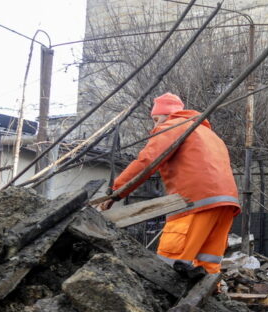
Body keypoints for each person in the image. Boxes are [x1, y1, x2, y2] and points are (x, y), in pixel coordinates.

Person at [101, 93, 240, 276]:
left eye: (156, 119)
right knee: (209, 265)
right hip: (226, 204)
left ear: (166, 115)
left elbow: (147, 161)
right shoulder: (210, 135)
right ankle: (212, 300)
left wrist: (116, 191)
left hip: (195, 202)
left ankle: (161, 303)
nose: (155, 125)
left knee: (168, 265)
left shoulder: (173, 126)